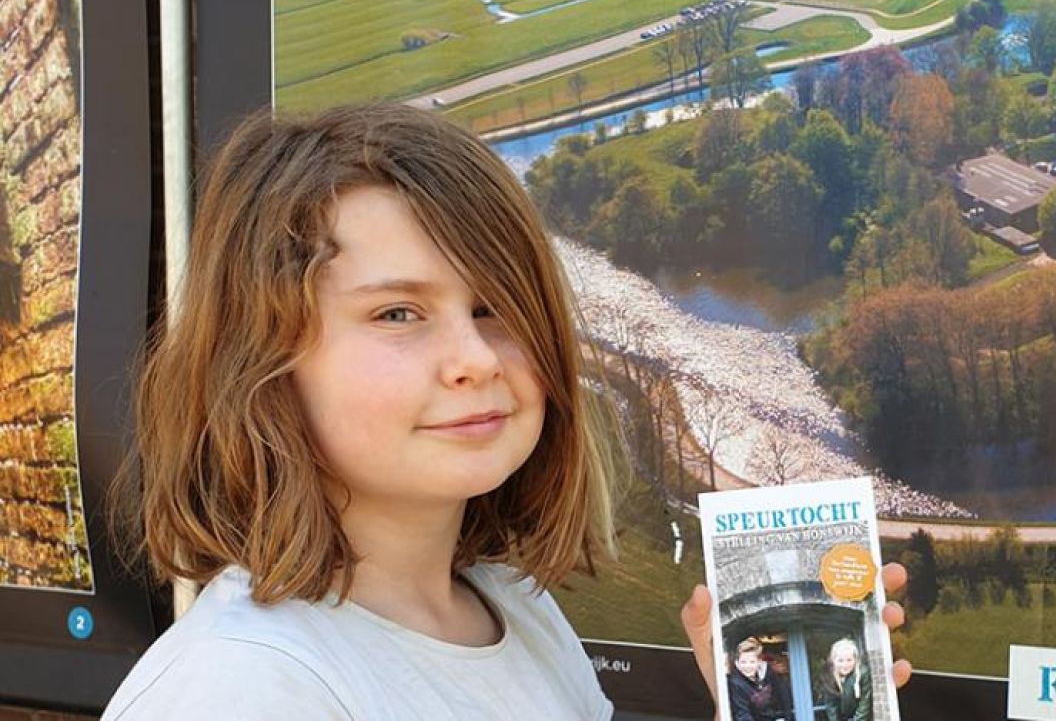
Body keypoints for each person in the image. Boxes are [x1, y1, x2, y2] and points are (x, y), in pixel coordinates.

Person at [99, 102, 910, 719]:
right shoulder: (240, 692)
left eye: (494, 307)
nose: (477, 359)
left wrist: (763, 697)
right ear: (263, 362)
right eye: (397, 314)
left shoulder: (512, 609)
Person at [727, 638, 793, 721]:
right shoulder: (736, 684)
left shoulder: (768, 673)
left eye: (752, 662)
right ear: (737, 663)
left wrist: (787, 718)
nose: (748, 666)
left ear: (758, 662)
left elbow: (783, 696)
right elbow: (742, 714)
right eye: (743, 662)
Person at [818, 638, 872, 721]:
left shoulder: (863, 673)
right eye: (840, 660)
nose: (845, 665)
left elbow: (864, 704)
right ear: (834, 661)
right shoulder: (829, 677)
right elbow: (832, 708)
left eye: (849, 660)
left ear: (855, 660)